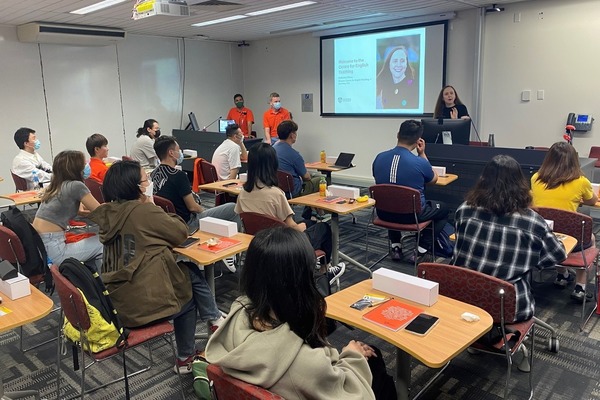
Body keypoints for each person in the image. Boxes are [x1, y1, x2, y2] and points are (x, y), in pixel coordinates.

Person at [206, 227, 394, 400]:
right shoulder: (306, 365)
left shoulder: (238, 311)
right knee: (374, 357)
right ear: (303, 280)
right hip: (307, 379)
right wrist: (352, 355)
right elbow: (356, 396)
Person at [89, 160, 222, 374]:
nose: (149, 182)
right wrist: (151, 204)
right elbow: (180, 232)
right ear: (135, 187)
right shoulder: (143, 212)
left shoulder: (109, 211)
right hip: (142, 305)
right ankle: (186, 356)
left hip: (118, 298)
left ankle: (213, 319)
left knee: (187, 273)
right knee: (187, 294)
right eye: (146, 179)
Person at [453, 155, 567, 322]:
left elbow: (460, 242)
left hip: (464, 297)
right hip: (508, 307)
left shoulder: (464, 210)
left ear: (482, 180)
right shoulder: (532, 222)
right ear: (521, 184)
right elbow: (557, 255)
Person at [235, 143, 343, 280]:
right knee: (324, 228)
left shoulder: (243, 193)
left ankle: (314, 266)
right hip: (283, 245)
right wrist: (301, 227)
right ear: (272, 165)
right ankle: (325, 270)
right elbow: (292, 227)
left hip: (258, 243)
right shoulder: (275, 194)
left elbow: (245, 218)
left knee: (309, 222)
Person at [151, 136, 240, 272]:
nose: (180, 152)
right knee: (232, 208)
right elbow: (193, 207)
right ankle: (231, 254)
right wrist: (203, 210)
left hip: (167, 223)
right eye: (178, 149)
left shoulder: (153, 174)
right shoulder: (178, 175)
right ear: (171, 153)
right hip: (188, 223)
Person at [372, 120, 449, 259]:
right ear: (417, 140)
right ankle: (421, 250)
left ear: (397, 135)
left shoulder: (379, 158)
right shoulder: (419, 162)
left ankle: (396, 247)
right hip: (412, 216)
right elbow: (433, 179)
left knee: (391, 198)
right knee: (443, 209)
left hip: (383, 213)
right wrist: (422, 153)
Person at [531, 141, 598, 300]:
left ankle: (562, 276)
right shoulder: (581, 181)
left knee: (557, 230)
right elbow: (591, 200)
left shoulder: (536, 178)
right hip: (572, 239)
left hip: (544, 237)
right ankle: (580, 287)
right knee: (590, 237)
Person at [32, 150, 103, 270]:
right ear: (75, 168)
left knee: (95, 242)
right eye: (84, 163)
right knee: (104, 244)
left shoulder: (56, 186)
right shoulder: (76, 186)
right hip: (56, 250)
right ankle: (102, 286)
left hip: (42, 247)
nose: (87, 165)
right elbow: (102, 212)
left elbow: (81, 208)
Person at [273, 120, 320, 198]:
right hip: (293, 191)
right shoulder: (294, 155)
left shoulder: (272, 149)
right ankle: (311, 209)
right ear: (292, 135)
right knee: (321, 181)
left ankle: (309, 210)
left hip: (276, 190)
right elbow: (306, 177)